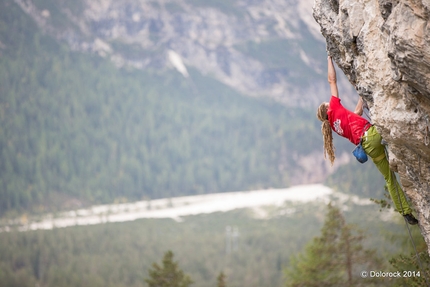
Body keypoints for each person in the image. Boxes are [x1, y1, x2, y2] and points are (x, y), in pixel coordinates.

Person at [316, 56, 418, 225]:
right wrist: (329, 58)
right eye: (327, 103)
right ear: (327, 108)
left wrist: (362, 97)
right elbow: (331, 80)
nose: (330, 101)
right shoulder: (334, 107)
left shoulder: (334, 126)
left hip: (368, 147)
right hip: (372, 134)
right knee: (399, 124)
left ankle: (405, 212)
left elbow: (356, 113)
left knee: (389, 178)